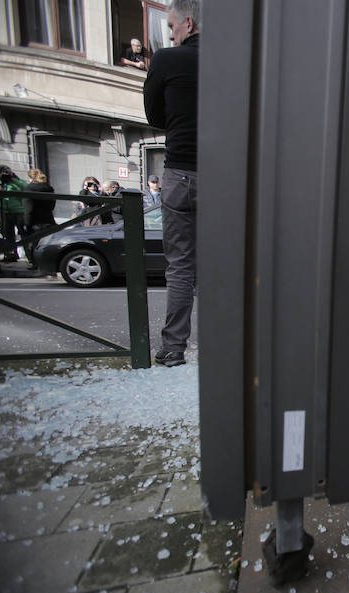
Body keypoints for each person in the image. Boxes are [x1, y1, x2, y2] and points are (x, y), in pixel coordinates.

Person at [144, 0, 200, 368]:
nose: (172, 34)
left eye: (172, 28)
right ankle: (229, 347)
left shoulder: (166, 60)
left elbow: (155, 116)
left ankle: (174, 348)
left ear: (188, 23)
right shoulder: (235, 63)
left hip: (180, 172)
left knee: (180, 265)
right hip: (227, 177)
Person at [0, 165, 27, 262]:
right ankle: (10, 255)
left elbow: (25, 186)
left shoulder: (15, 182)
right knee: (7, 235)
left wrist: (12, 178)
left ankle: (30, 257)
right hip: (4, 212)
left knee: (24, 234)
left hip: (18, 211)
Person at [22, 168, 55, 268]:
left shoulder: (29, 189)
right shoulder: (49, 188)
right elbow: (52, 206)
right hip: (48, 219)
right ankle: (48, 263)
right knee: (48, 243)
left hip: (36, 221)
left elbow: (29, 209)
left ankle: (36, 264)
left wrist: (27, 224)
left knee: (34, 244)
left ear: (30, 178)